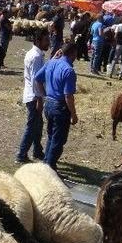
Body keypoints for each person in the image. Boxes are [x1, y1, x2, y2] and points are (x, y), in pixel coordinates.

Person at [34, 41, 79, 170]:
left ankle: (46, 162)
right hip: (60, 107)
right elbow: (68, 96)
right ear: (73, 53)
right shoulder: (69, 71)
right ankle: (50, 167)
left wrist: (44, 95)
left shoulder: (51, 62)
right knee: (58, 139)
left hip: (49, 103)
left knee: (51, 135)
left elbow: (37, 78)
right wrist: (74, 114)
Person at [16, 30, 49, 163]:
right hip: (34, 97)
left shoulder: (35, 54)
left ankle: (37, 151)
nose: (49, 42)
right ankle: (21, 154)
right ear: (38, 41)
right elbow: (36, 79)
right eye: (46, 40)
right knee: (32, 126)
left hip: (33, 95)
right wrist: (39, 99)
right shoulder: (36, 57)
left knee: (38, 125)